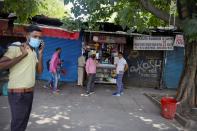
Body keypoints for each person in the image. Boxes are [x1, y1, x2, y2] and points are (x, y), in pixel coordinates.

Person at [0, 25, 44, 131]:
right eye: (35, 36)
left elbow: (39, 71)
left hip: (29, 93)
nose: (37, 39)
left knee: (23, 123)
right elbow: (1, 64)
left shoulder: (33, 52)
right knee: (18, 124)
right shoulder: (17, 46)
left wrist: (41, 54)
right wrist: (22, 55)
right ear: (27, 35)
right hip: (18, 93)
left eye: (39, 37)